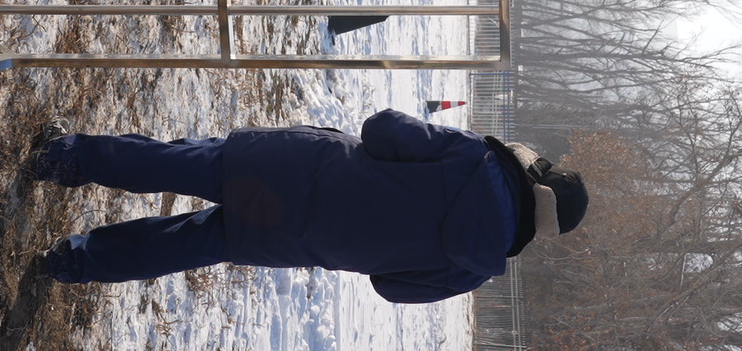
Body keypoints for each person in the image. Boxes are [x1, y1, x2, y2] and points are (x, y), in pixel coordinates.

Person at [33, 109, 588, 303]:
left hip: (294, 167)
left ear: (539, 175)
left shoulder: (476, 159)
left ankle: (63, 158)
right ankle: (72, 263)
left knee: (172, 164)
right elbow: (390, 287)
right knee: (181, 244)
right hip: (299, 238)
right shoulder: (473, 270)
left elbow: (382, 130)